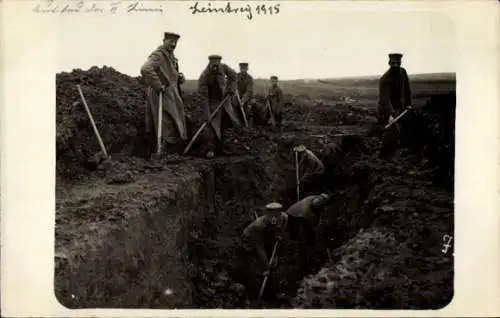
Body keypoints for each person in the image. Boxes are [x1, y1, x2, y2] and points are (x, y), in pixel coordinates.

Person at [140, 32, 188, 158]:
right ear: (164, 41)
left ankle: (169, 151)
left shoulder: (171, 57)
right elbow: (146, 69)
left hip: (171, 93)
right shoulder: (158, 55)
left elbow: (169, 73)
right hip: (161, 94)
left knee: (173, 120)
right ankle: (163, 152)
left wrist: (179, 77)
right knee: (166, 122)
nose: (173, 44)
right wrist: (158, 85)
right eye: (170, 41)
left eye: (175, 42)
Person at [234, 202, 288, 302]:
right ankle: (254, 295)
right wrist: (266, 266)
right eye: (272, 216)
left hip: (267, 239)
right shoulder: (257, 227)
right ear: (267, 215)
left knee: (273, 266)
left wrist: (276, 255)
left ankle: (273, 291)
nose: (275, 219)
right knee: (258, 270)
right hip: (249, 244)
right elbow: (259, 249)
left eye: (277, 216)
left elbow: (281, 234)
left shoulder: (284, 218)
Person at [197, 55, 242, 158]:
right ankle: (210, 149)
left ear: (220, 63)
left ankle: (224, 147)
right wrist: (207, 114)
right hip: (212, 103)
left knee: (226, 123)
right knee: (212, 126)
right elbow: (203, 98)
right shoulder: (204, 76)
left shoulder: (224, 67)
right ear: (210, 63)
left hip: (225, 101)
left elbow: (234, 75)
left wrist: (231, 88)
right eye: (213, 65)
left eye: (217, 65)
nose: (216, 67)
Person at [377, 53, 412, 159]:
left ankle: (395, 154)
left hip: (400, 107)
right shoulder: (385, 79)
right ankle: (383, 156)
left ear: (400, 63)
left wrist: (408, 104)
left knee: (402, 130)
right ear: (389, 63)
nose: (396, 65)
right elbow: (385, 99)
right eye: (393, 63)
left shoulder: (403, 72)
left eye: (398, 63)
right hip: (386, 108)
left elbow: (407, 89)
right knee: (392, 131)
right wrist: (391, 115)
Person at [285, 193, 330, 269]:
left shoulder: (314, 197)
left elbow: (317, 219)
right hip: (294, 217)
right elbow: (313, 225)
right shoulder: (307, 212)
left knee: (310, 237)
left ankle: (311, 254)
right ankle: (305, 260)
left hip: (299, 216)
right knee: (302, 240)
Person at [235, 62, 254, 126]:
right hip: (237, 97)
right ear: (240, 69)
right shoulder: (236, 76)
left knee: (248, 111)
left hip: (246, 98)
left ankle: (248, 126)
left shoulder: (249, 78)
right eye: (241, 69)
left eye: (244, 69)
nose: (243, 70)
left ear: (247, 69)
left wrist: (243, 100)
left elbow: (249, 91)